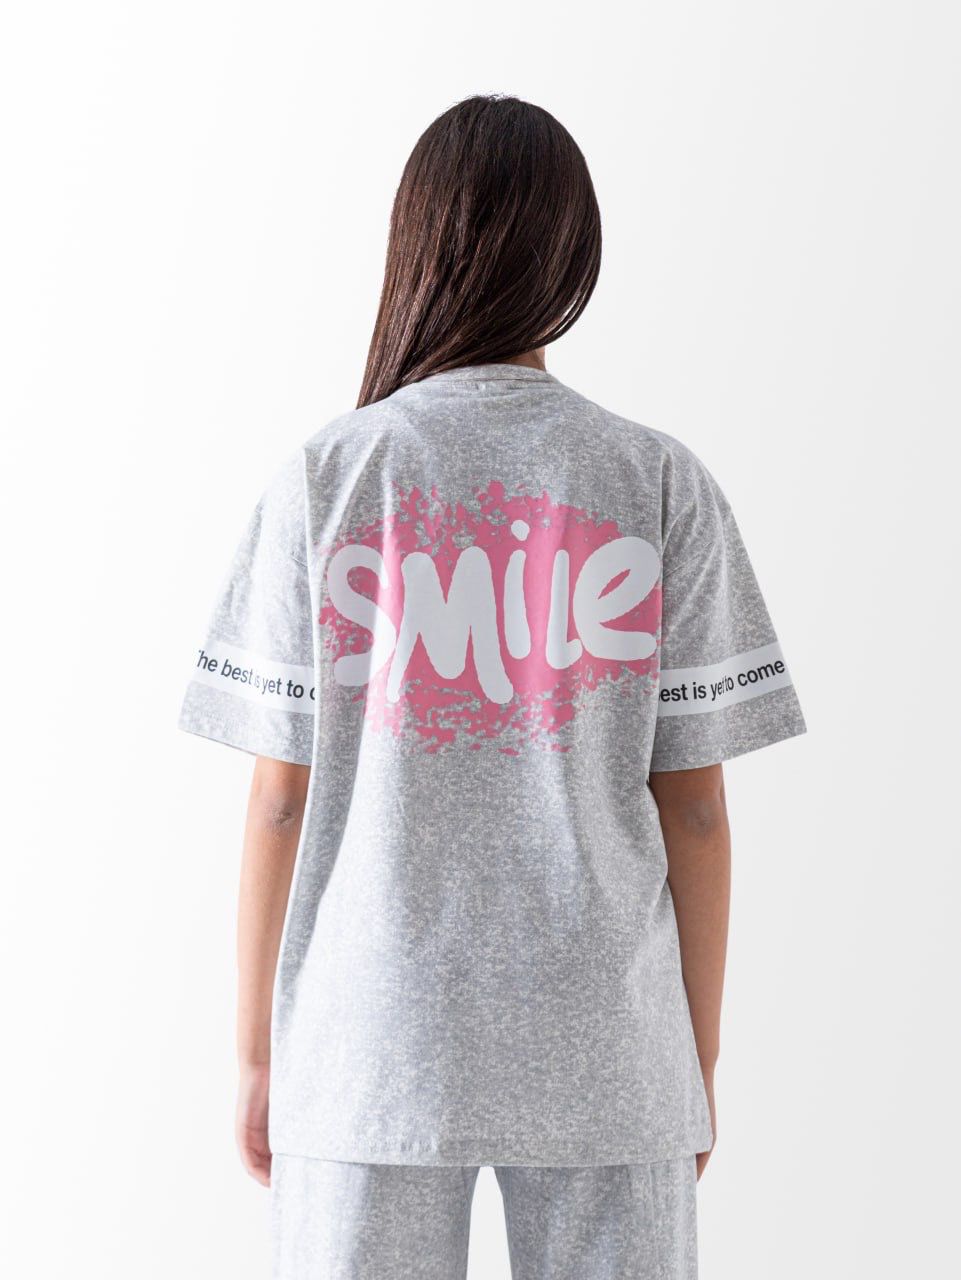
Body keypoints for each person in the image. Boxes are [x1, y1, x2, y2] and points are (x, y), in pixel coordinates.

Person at [179, 94, 806, 1280]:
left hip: (369, 1044)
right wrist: (696, 1057)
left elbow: (278, 797)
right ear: (575, 254)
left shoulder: (328, 475)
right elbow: (696, 808)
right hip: (608, 1039)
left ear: (414, 244)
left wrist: (258, 1052)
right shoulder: (654, 478)